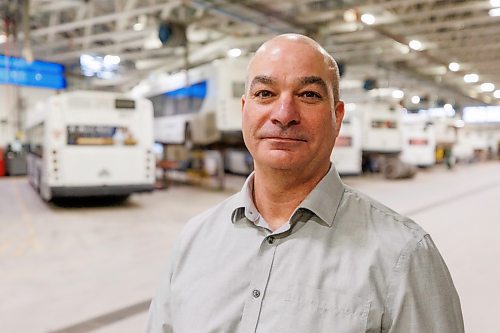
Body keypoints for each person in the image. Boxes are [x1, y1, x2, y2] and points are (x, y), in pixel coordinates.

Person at [146, 34, 464, 333]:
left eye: (308, 94)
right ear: (245, 111)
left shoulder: (403, 255)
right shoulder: (194, 241)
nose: (284, 114)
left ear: (337, 117)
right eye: (265, 94)